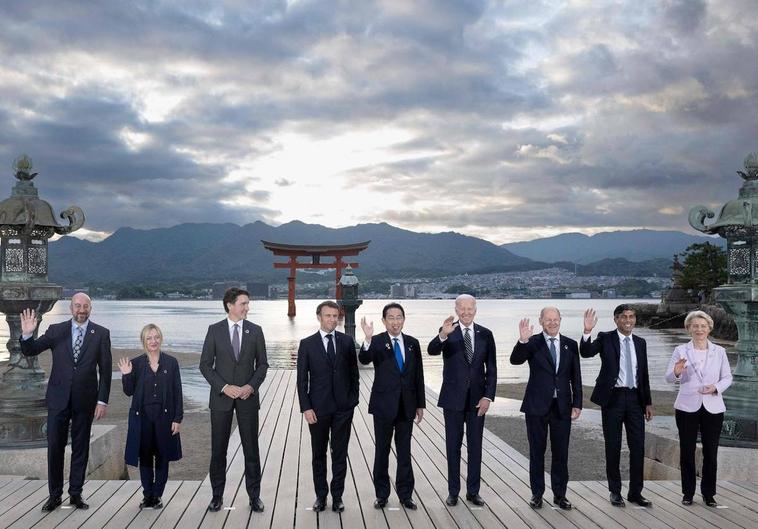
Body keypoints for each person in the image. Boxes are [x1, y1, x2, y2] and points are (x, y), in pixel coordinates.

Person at [20, 293, 112, 512]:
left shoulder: (100, 334)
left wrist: (102, 401)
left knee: (80, 448)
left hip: (85, 400)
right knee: (55, 447)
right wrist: (27, 334)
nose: (81, 310)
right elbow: (31, 350)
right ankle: (54, 496)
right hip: (58, 400)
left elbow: (106, 372)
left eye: (85, 306)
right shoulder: (56, 331)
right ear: (70, 308)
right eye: (78, 306)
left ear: (91, 308)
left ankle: (76, 494)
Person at [200, 287, 268, 513]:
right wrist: (224, 387)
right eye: (243, 303)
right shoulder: (214, 330)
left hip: (248, 399)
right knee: (218, 450)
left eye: (248, 304)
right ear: (230, 305)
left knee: (252, 449)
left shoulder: (256, 331)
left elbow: (263, 365)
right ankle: (216, 497)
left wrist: (251, 386)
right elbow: (205, 365)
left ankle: (254, 497)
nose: (247, 308)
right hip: (221, 399)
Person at [427, 294, 497, 507]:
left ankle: (473, 492)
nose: (466, 312)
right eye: (462, 308)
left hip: (477, 401)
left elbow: (492, 369)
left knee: (475, 447)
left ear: (475, 309)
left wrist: (488, 396)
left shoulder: (485, 334)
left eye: (470, 308)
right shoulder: (448, 330)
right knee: (453, 447)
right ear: (456, 310)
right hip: (452, 400)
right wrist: (442, 335)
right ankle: (453, 492)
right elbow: (431, 350)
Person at [581, 305, 653, 508]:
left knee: (638, 447)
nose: (628, 320)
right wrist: (587, 331)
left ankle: (635, 493)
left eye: (631, 316)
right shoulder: (605, 338)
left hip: (635, 400)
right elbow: (586, 353)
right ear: (616, 320)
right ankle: (615, 492)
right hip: (612, 398)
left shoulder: (641, 342)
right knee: (612, 446)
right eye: (624, 317)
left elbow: (644, 375)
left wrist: (648, 402)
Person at [511, 307, 581, 510]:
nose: (552, 323)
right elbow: (515, 360)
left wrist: (577, 403)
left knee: (561, 453)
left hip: (562, 407)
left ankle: (560, 496)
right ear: (541, 321)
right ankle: (537, 494)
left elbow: (575, 377)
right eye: (548, 319)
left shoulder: (570, 344)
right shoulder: (532, 342)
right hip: (536, 406)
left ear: (560, 320)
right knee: (537, 452)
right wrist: (522, 340)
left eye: (555, 319)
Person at [359, 302, 425, 510]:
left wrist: (420, 405)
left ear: (404, 319)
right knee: (382, 451)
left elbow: (418, 376)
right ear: (384, 321)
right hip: (383, 406)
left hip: (407, 406)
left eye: (399, 317)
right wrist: (367, 339)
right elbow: (364, 359)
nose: (395, 321)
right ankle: (382, 494)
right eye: (391, 318)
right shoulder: (377, 341)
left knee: (405, 451)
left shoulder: (413, 343)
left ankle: (406, 495)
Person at [296, 300, 359, 513]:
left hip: (343, 409)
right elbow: (302, 380)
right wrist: (306, 407)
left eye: (335, 316)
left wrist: (352, 401)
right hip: (317, 408)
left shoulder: (347, 342)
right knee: (318, 454)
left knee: (340, 454)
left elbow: (354, 375)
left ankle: (338, 497)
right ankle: (321, 497)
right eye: (328, 316)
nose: (332, 319)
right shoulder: (307, 344)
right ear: (319, 317)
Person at [665, 310, 732, 507]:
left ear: (709, 328)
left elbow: (727, 377)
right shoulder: (680, 350)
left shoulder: (719, 351)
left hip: (713, 406)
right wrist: (677, 372)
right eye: (695, 326)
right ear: (688, 329)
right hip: (687, 405)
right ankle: (688, 493)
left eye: (703, 326)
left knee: (711, 452)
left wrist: (716, 388)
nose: (699, 329)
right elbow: (669, 377)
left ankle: (709, 494)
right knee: (687, 451)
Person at [119, 324, 183, 509]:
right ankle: (147, 495)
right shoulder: (136, 364)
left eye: (156, 337)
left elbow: (177, 392)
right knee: (145, 457)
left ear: (160, 338)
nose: (153, 341)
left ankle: (157, 496)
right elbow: (128, 391)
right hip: (142, 418)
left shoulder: (171, 363)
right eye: (149, 338)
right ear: (143, 341)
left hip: (165, 418)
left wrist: (177, 419)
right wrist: (126, 375)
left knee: (163, 457)